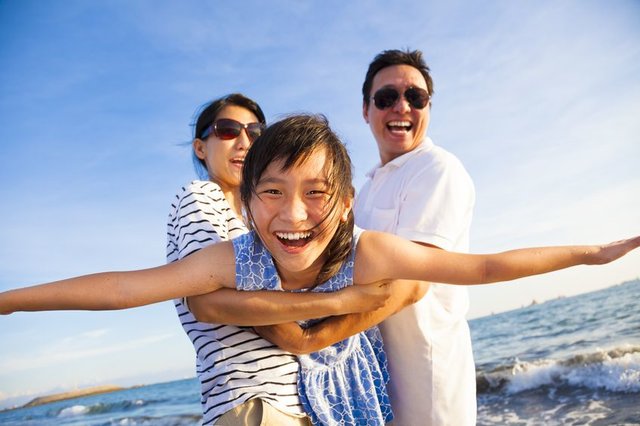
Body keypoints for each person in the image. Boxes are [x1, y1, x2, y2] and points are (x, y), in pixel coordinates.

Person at [1, 114, 638, 425]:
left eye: (316, 191)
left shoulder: (370, 250)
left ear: (347, 198)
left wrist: (592, 254)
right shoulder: (235, 256)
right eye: (271, 192)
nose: (294, 215)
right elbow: (122, 288)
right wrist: (6, 301)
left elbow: (484, 265)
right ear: (245, 203)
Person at [166, 95, 392, 425]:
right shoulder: (202, 195)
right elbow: (206, 300)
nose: (244, 142)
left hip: (294, 402)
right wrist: (335, 305)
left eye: (256, 132)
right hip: (252, 399)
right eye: (228, 131)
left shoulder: (257, 220)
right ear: (200, 148)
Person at [356, 48, 476, 425]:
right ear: (366, 110)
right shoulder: (367, 187)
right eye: (386, 97)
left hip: (430, 382)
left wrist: (309, 332)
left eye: (415, 97)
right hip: (377, 385)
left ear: (428, 107)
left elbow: (410, 284)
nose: (401, 107)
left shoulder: (437, 168)